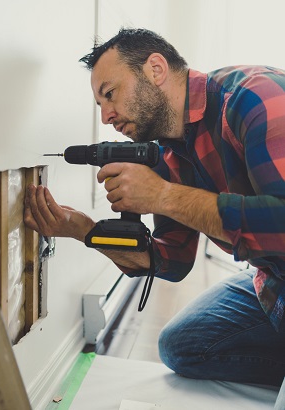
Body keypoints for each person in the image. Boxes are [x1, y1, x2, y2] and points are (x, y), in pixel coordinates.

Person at [24, 28, 285, 388]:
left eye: (110, 94)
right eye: (100, 105)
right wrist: (83, 230)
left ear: (156, 69)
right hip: (272, 277)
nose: (106, 117)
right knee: (182, 346)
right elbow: (173, 259)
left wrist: (162, 196)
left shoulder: (255, 99)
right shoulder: (167, 155)